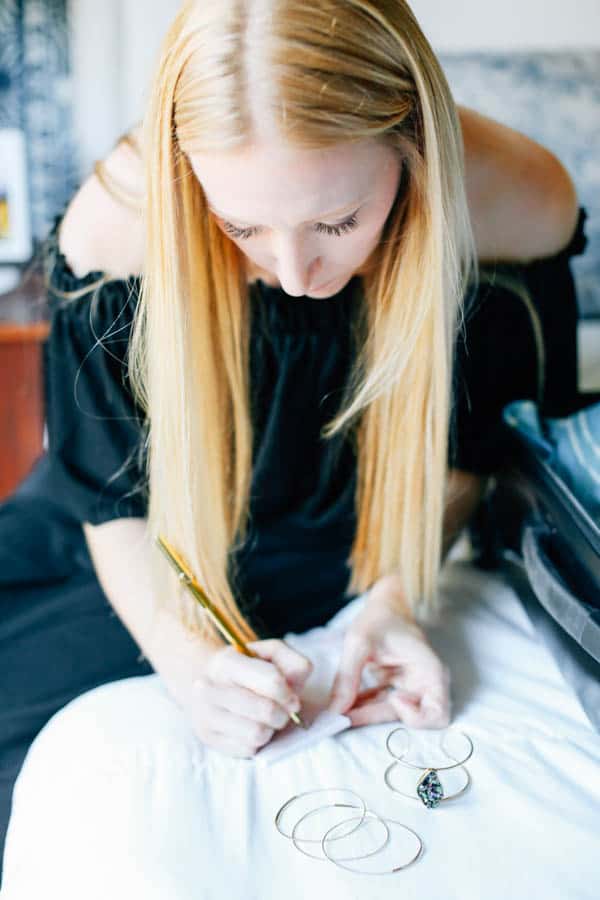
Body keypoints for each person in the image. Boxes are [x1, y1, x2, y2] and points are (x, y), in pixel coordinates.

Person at [0, 0, 588, 874]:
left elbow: (473, 448)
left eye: (338, 223)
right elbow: (109, 497)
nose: (293, 272)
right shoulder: (116, 226)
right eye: (241, 227)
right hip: (139, 546)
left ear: (412, 150)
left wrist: (395, 595)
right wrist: (187, 659)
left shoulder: (517, 207)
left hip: (351, 544)